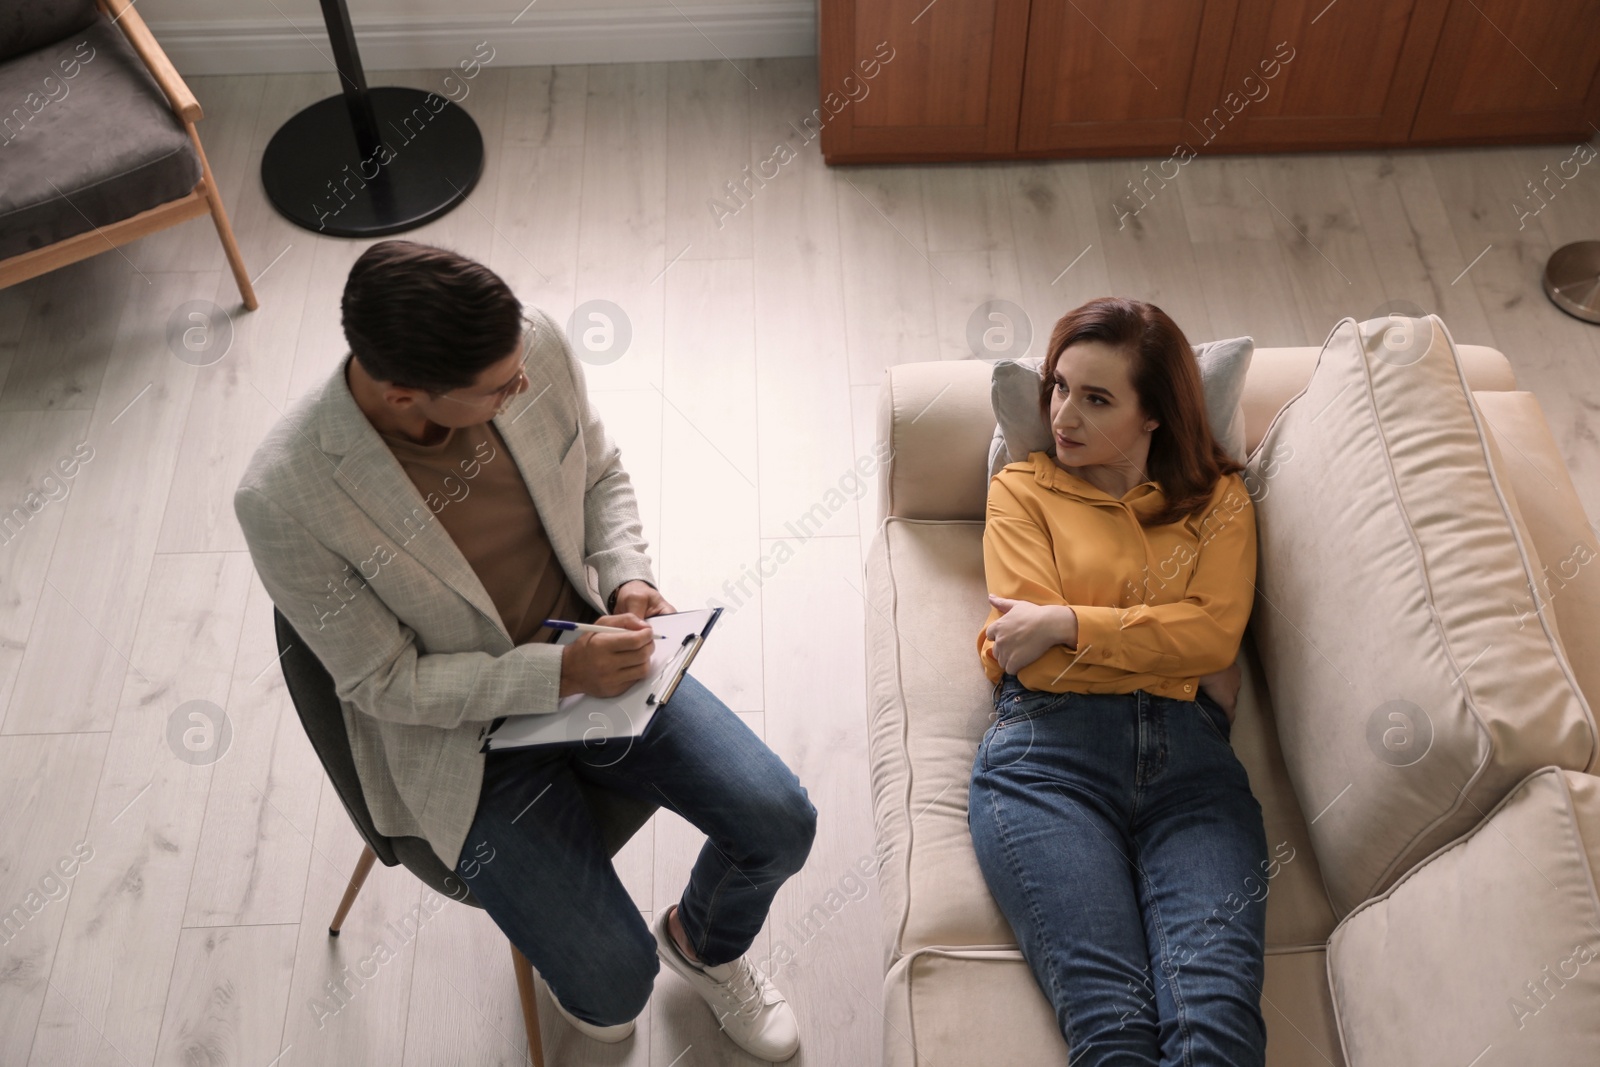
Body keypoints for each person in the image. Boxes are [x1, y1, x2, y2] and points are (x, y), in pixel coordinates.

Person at [234, 240, 815, 1061]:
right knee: (613, 996)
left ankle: (701, 942)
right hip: (466, 746)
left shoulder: (527, 342)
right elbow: (383, 683)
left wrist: (626, 580)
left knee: (780, 821)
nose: (526, 385)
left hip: (597, 662)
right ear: (405, 397)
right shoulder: (284, 496)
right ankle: (599, 958)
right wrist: (556, 673)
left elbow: (599, 471)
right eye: (500, 389)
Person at [969, 296, 1267, 1065]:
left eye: (1096, 398)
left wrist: (1069, 622)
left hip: (1193, 777)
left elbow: (1216, 632)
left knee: (1217, 1034)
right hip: (1048, 761)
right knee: (1115, 1035)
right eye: (1059, 386)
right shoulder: (1021, 490)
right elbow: (1027, 656)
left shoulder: (1219, 503)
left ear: (1154, 415)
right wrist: (1169, 646)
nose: (1063, 414)